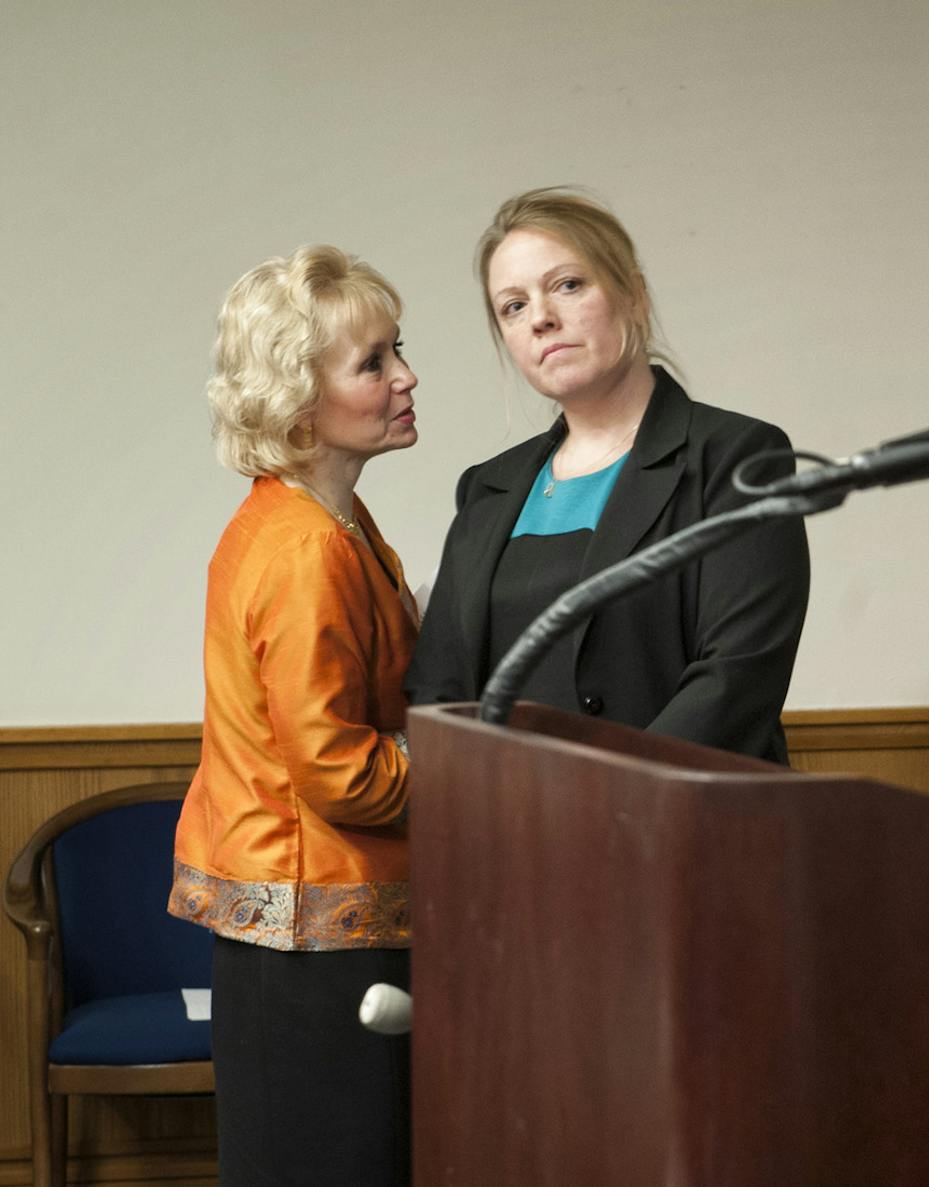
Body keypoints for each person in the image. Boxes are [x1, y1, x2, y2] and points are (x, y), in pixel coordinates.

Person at [170, 244, 421, 1186]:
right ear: (297, 397)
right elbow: (340, 772)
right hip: (317, 935)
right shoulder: (306, 544)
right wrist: (473, 767)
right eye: (373, 362)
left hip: (308, 926)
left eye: (398, 350)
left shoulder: (318, 520)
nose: (405, 377)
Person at [406, 188, 810, 760]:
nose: (542, 318)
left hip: (686, 827)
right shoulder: (487, 488)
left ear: (633, 293)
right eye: (513, 306)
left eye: (567, 285)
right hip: (511, 830)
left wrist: (603, 809)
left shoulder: (738, 458)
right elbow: (438, 690)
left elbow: (736, 681)